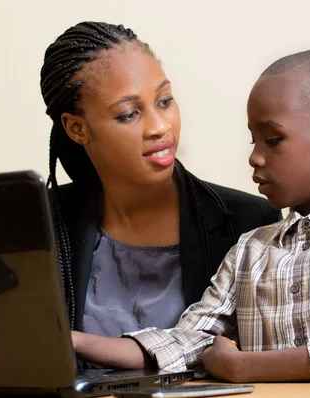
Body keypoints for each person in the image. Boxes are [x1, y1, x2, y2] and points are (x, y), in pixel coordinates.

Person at [70, 49, 310, 382]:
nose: (254, 157)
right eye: (253, 140)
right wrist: (70, 340)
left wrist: (242, 366)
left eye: (273, 140)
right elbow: (185, 344)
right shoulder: (251, 249)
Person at [39, 21, 282, 337]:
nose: (160, 127)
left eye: (164, 101)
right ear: (77, 129)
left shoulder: (249, 222)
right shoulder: (43, 223)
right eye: (129, 114)